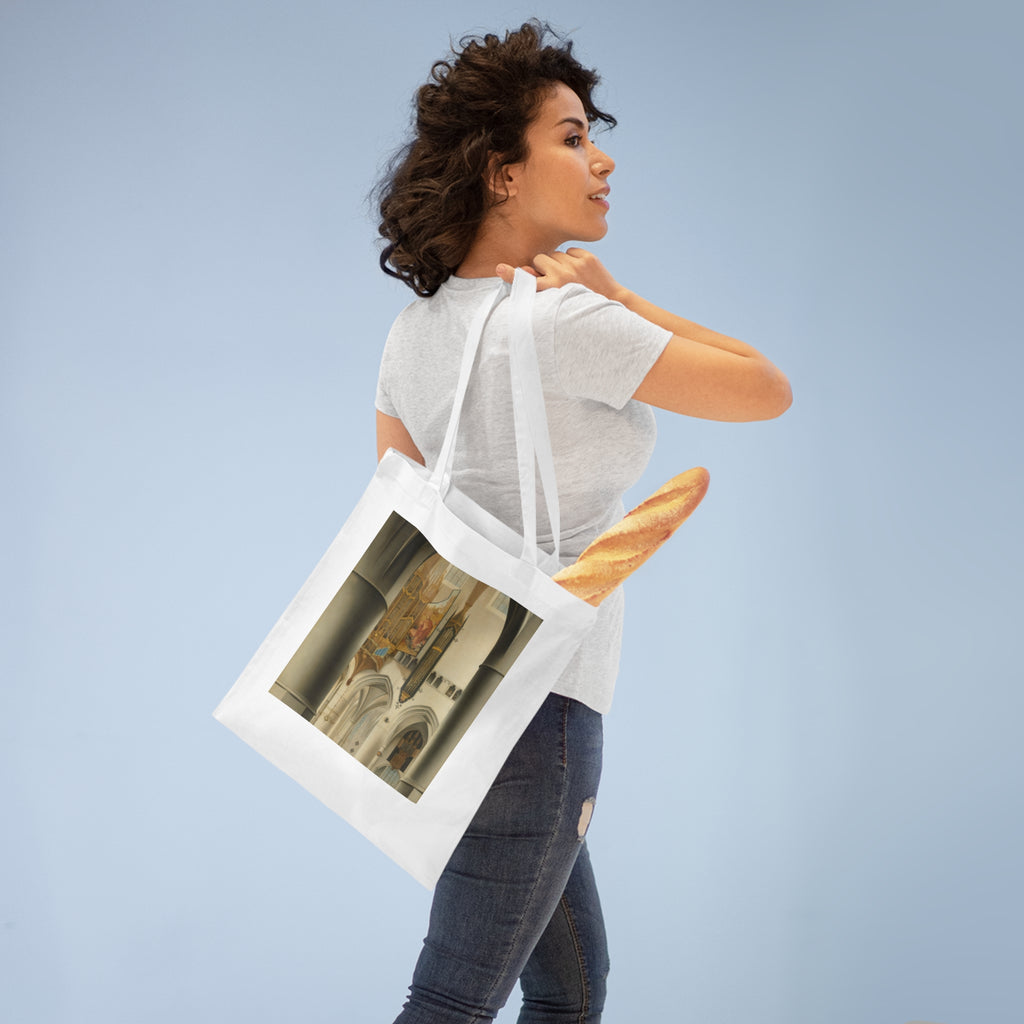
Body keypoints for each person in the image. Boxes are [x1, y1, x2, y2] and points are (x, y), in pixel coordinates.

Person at [373, 20, 791, 1024]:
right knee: (452, 999)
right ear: (502, 173)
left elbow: (398, 508)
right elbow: (766, 389)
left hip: (446, 697)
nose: (600, 158)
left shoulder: (413, 329)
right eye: (569, 136)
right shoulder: (564, 319)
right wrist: (626, 299)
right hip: (543, 701)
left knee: (569, 984)